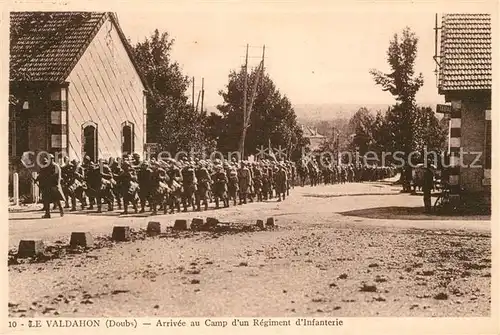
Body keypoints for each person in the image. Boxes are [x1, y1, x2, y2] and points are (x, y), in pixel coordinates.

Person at [37, 154, 65, 218]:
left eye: (50, 159)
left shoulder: (55, 166)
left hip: (53, 185)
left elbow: (57, 176)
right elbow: (42, 175)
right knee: (47, 199)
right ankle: (48, 213)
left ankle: (61, 210)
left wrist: (57, 184)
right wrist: (37, 179)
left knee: (56, 199)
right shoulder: (46, 166)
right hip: (48, 185)